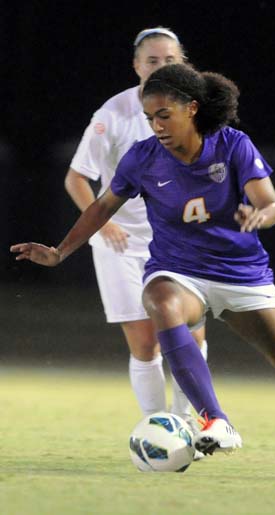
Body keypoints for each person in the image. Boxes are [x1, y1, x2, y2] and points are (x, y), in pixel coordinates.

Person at [12, 63, 275, 478]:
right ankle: (215, 420)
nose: (155, 126)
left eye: (163, 115)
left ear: (191, 108)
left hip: (242, 274)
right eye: (149, 118)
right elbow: (102, 206)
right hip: (179, 271)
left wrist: (260, 216)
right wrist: (60, 252)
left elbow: (272, 204)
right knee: (159, 299)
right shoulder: (142, 158)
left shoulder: (232, 145)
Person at [63, 27, 208, 428]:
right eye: (152, 60)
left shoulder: (197, 111)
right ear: (136, 66)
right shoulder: (113, 115)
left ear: (184, 64)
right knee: (146, 342)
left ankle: (186, 424)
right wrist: (101, 225)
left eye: (170, 60)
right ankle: (155, 428)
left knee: (189, 338)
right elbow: (77, 177)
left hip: (178, 241)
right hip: (122, 243)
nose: (161, 67)